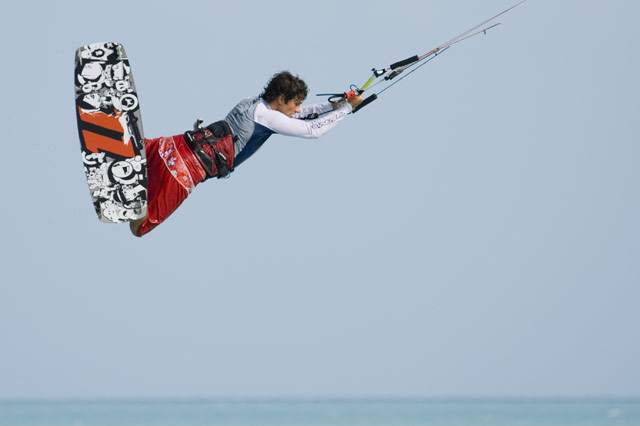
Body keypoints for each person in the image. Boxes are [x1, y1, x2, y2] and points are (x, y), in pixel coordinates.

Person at [130, 71, 362, 237]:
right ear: (281, 99)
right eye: (296, 103)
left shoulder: (251, 102)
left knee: (140, 149)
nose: (298, 109)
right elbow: (313, 130)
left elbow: (299, 116)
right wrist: (347, 109)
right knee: (140, 228)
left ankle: (121, 146)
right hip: (184, 171)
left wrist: (335, 105)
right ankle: (133, 198)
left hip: (170, 146)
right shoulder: (268, 117)